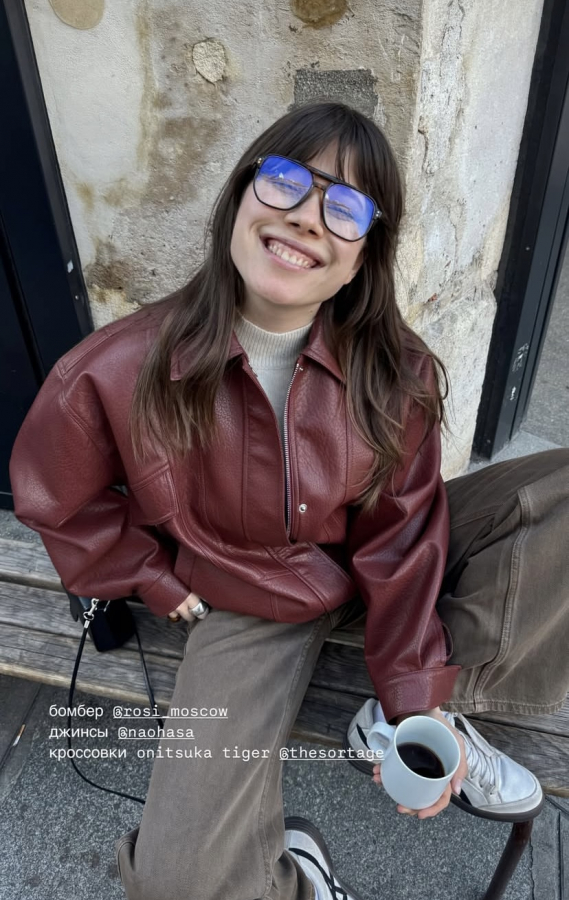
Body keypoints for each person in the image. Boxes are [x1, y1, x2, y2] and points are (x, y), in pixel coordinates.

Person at [9, 101, 569, 900]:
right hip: (248, 596)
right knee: (175, 883)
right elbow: (57, 499)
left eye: (345, 208)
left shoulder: (397, 370)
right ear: (240, 198)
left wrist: (414, 699)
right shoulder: (114, 369)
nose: (307, 216)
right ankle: (298, 876)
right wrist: (153, 579)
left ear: (360, 257)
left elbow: (402, 535)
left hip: (372, 560)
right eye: (284, 181)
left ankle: (426, 713)